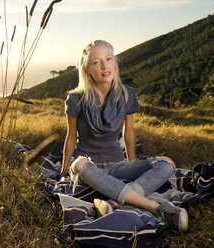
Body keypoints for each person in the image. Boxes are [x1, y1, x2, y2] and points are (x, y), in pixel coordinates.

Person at [61, 40, 188, 232]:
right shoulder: (76, 99)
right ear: (87, 69)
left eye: (108, 59)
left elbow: (129, 133)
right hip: (87, 166)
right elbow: (71, 136)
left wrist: (132, 165)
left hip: (117, 165)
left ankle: (114, 203)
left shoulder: (127, 94)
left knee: (166, 163)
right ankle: (155, 208)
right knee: (78, 164)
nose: (104, 66)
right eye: (96, 62)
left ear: (115, 63)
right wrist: (64, 169)